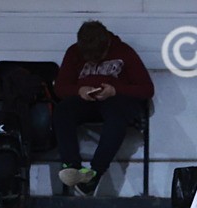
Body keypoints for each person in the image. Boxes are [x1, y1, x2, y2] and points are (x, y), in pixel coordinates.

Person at [53, 20, 154, 196]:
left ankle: (95, 173)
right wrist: (79, 90)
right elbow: (60, 87)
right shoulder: (74, 52)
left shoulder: (124, 52)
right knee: (62, 110)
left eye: (98, 57)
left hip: (116, 101)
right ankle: (72, 166)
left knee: (116, 115)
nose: (94, 61)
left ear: (107, 43)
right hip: (86, 100)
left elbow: (147, 89)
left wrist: (115, 90)